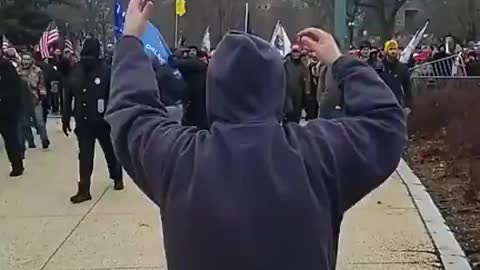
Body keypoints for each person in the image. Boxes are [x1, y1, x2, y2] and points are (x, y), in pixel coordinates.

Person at [105, 1, 407, 269]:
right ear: (276, 90)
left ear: (215, 91)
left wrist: (131, 40)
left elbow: (132, 113)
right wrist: (341, 63)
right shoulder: (317, 155)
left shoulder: (180, 161)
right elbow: (386, 123)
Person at [63, 37, 124, 204]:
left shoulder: (105, 71)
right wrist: (66, 116)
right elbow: (69, 95)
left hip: (99, 120)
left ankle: (114, 177)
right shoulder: (80, 71)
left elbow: (68, 97)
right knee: (92, 155)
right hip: (91, 121)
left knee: (99, 154)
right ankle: (88, 188)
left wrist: (66, 117)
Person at [0, 43, 24, 177]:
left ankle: (17, 165)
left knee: (11, 140)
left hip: (6, 111)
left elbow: (15, 90)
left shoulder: (7, 67)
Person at [17, 52, 50, 149]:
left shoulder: (37, 71)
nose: (26, 61)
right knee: (25, 124)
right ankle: (30, 143)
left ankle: (44, 140)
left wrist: (42, 95)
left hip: (35, 100)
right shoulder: (17, 71)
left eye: (28, 59)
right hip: (22, 101)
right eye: (24, 59)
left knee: (40, 122)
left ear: (31, 60)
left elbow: (42, 85)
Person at [379, 40, 413, 115]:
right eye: (390, 49)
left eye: (394, 49)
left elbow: (407, 87)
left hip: (396, 105)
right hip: (381, 105)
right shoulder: (379, 67)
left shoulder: (402, 68)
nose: (393, 51)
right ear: (386, 51)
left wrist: (408, 106)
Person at [284, 44, 308, 123]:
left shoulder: (303, 66)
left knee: (295, 120)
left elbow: (305, 84)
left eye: (297, 52)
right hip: (287, 96)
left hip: (298, 98)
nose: (296, 54)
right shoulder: (285, 63)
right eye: (294, 51)